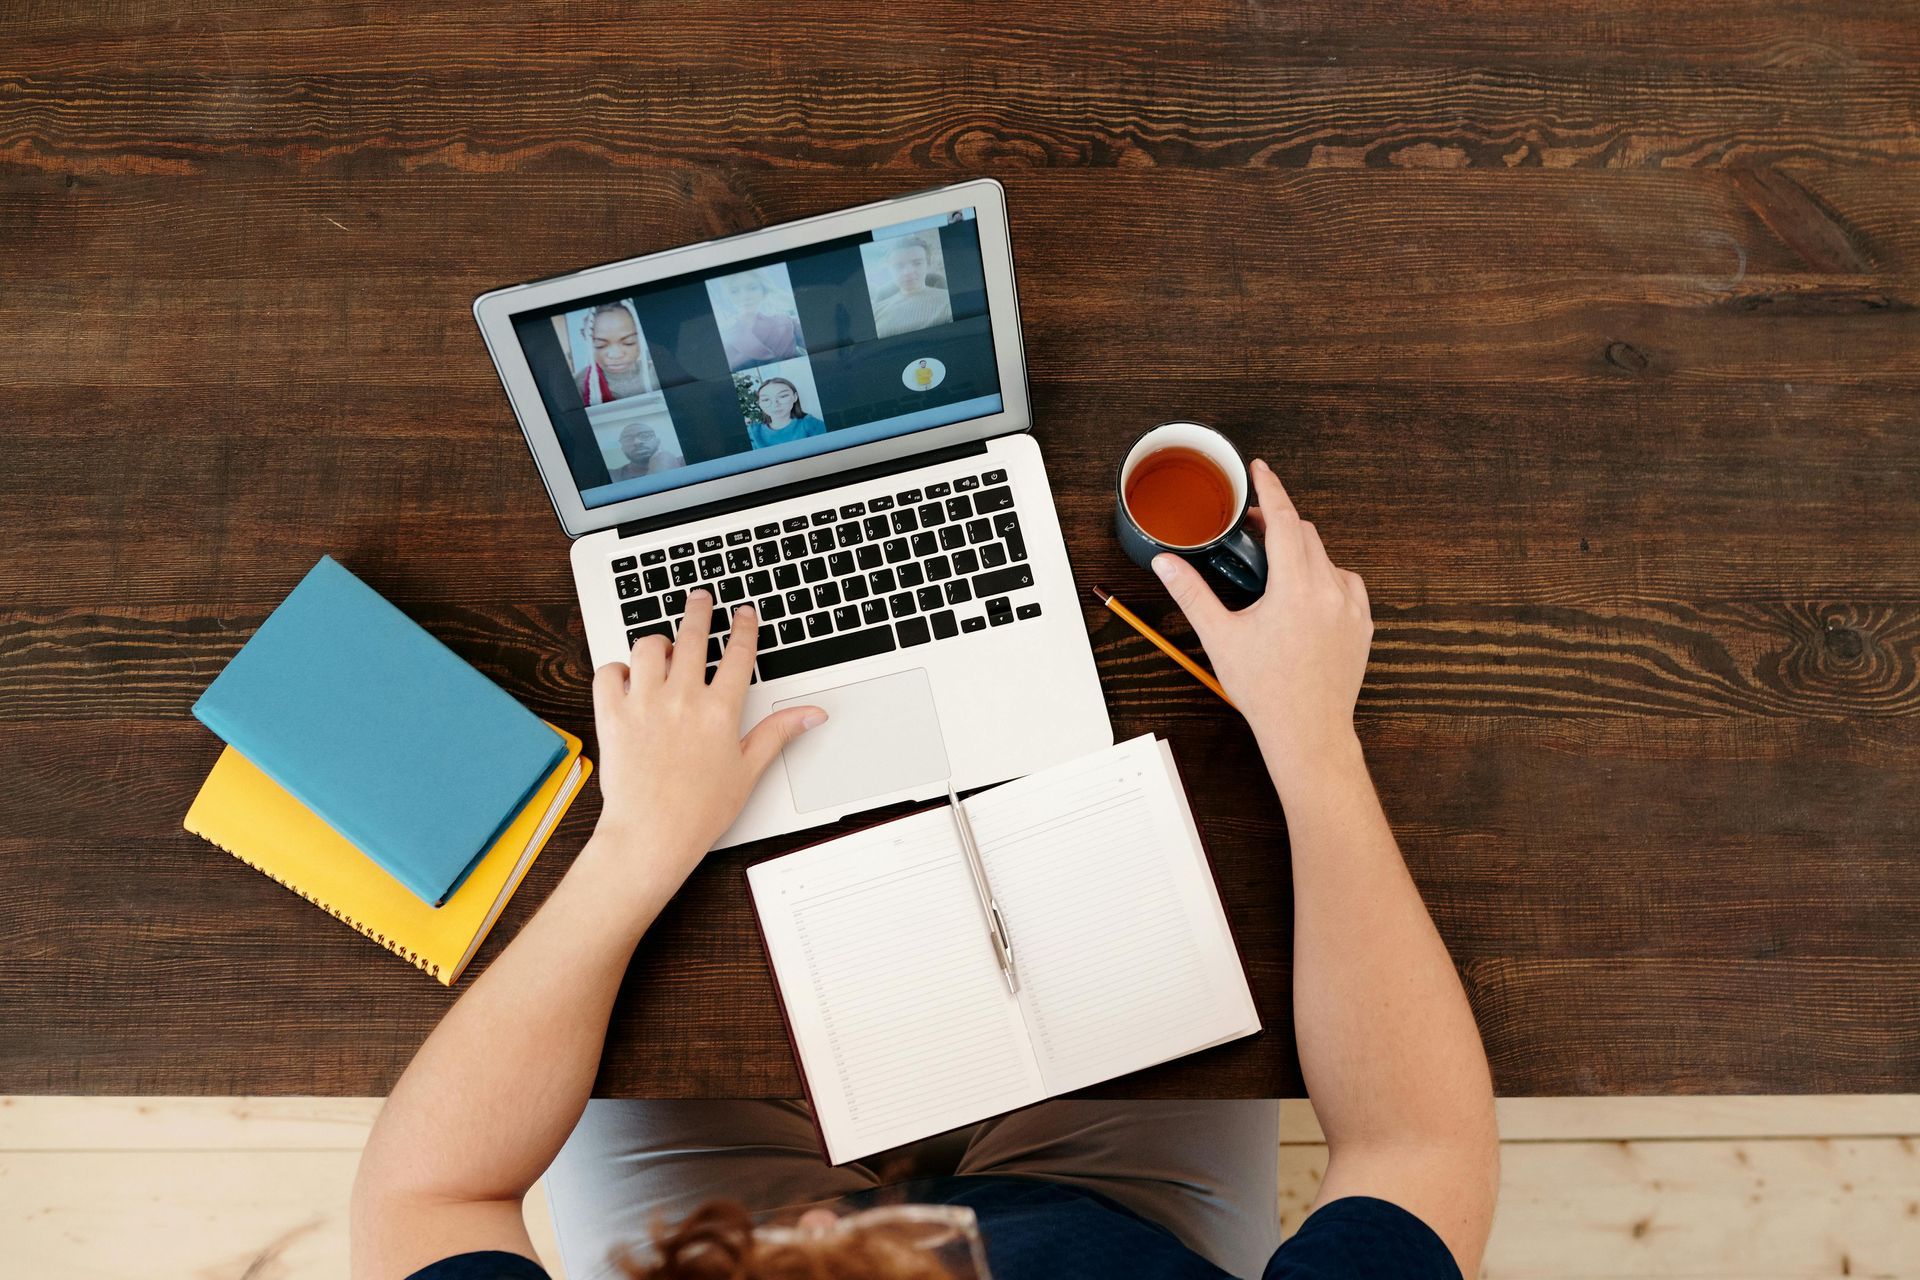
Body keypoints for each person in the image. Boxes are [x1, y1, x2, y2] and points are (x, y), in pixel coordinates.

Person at [351, 460, 1500, 1280]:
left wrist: (636, 846)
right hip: (1107, 1219)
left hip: (732, 1220)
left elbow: (426, 1198)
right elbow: (1419, 1150)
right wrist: (1312, 740)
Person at [717, 270, 803, 371]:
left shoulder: (786, 321)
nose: (745, 297)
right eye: (734, 291)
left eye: (752, 288)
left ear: (764, 290)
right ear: (728, 296)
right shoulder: (724, 335)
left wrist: (792, 302)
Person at [870, 237, 953, 338]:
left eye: (917, 263)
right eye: (898, 266)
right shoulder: (876, 311)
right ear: (889, 271)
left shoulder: (948, 302)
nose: (907, 272)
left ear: (928, 265)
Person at [578, 305, 656, 406]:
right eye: (600, 345)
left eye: (629, 342)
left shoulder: (658, 372)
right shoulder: (578, 385)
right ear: (586, 339)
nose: (615, 355)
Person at [745, 377, 827, 450]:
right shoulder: (753, 431)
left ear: (795, 397)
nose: (775, 404)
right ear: (760, 404)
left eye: (783, 396)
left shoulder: (809, 423)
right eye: (766, 399)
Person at [606, 422, 684, 482]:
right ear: (622, 448)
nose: (637, 442)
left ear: (657, 441)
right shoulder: (612, 475)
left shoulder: (684, 461)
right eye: (627, 439)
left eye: (645, 436)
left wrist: (664, 459)